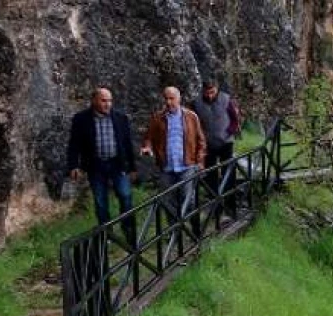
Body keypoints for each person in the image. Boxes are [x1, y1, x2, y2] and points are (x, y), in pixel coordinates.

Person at [66, 87, 137, 246]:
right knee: (100, 202)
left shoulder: (120, 118)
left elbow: (127, 144)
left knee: (125, 197)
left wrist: (132, 167)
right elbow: (74, 144)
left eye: (110, 100)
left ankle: (129, 231)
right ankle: (107, 234)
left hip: (118, 164)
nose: (107, 104)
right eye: (104, 100)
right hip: (96, 166)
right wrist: (73, 165)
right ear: (94, 101)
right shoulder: (81, 119)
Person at [141, 86, 206, 235]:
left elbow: (201, 140)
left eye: (172, 98)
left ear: (179, 98)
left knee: (188, 200)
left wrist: (200, 161)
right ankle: (174, 233)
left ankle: (196, 230)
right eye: (166, 99)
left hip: (187, 165)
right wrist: (147, 147)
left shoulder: (191, 117)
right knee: (168, 201)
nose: (169, 102)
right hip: (167, 167)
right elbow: (149, 138)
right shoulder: (157, 118)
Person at [191, 79, 241, 219]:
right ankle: (216, 209)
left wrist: (228, 132)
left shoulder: (226, 99)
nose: (210, 95)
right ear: (203, 91)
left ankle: (231, 207)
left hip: (226, 143)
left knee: (228, 174)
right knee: (210, 178)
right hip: (208, 145)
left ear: (217, 89)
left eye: (212, 92)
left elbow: (235, 119)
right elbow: (194, 123)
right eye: (207, 92)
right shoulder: (197, 103)